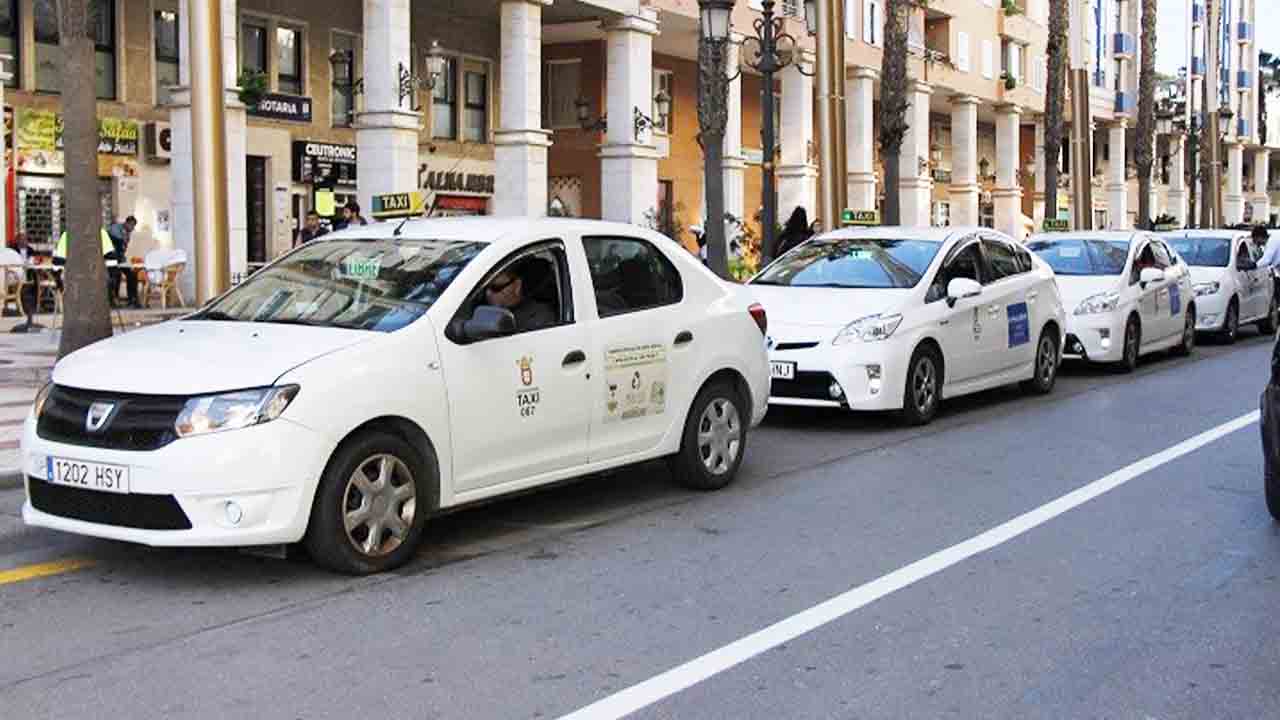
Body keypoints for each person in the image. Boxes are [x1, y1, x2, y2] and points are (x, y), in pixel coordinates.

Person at [485, 267, 555, 331]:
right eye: (485, 288)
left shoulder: (540, 315)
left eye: (496, 288)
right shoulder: (484, 312)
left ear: (517, 286)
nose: (488, 293)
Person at [106, 216, 139, 307]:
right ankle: (113, 300)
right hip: (110, 257)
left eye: (133, 226)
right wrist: (122, 242)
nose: (132, 228)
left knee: (132, 274)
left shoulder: (127, 232)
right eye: (131, 225)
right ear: (126, 223)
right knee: (116, 275)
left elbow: (123, 247)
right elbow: (119, 242)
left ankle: (132, 299)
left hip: (120, 258)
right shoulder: (116, 228)